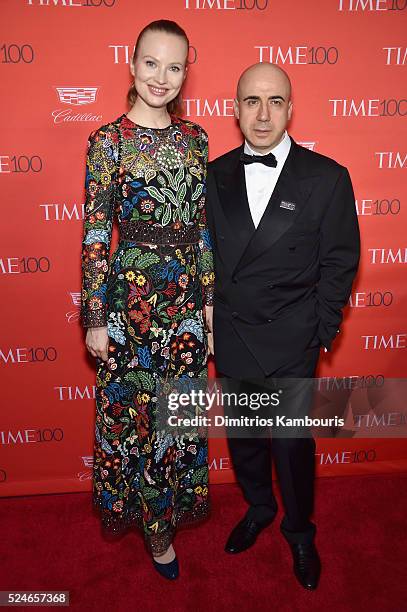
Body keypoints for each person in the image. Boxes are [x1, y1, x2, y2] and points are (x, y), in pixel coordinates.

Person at [205, 62, 360, 590]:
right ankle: (258, 507)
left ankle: (299, 531)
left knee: (291, 445)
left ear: (291, 108)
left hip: (293, 335)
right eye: (251, 101)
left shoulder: (327, 177)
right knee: (246, 438)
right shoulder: (214, 175)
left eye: (274, 101)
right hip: (232, 331)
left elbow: (341, 259)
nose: (263, 114)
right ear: (236, 109)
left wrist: (321, 328)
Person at [80, 19, 214, 580]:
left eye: (175, 65)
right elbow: (94, 232)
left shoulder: (195, 139)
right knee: (133, 415)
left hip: (184, 300)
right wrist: (93, 316)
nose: (162, 77)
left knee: (176, 413)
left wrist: (207, 300)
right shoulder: (107, 142)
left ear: (187, 72)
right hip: (130, 304)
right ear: (131, 66)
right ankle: (154, 528)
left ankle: (168, 509)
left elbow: (202, 224)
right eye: (152, 63)